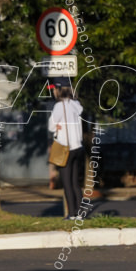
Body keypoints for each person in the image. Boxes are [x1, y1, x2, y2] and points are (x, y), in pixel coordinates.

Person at [48, 84, 85, 219]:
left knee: (67, 182)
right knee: (75, 182)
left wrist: (57, 125)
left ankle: (72, 214)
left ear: (58, 91)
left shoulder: (59, 106)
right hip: (77, 147)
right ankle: (80, 213)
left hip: (65, 148)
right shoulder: (76, 105)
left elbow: (51, 125)